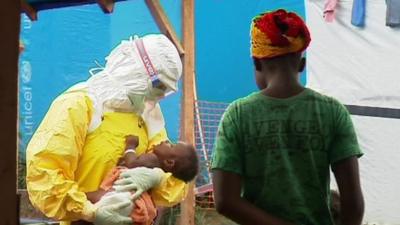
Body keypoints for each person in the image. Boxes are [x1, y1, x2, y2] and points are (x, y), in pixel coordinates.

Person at [211, 9, 364, 225]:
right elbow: (353, 204)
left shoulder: (237, 115)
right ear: (301, 65)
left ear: (256, 63)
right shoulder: (333, 112)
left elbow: (225, 200)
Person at [26, 34, 189, 225]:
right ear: (138, 72)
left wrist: (155, 178)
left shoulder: (147, 112)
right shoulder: (79, 105)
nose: (159, 96)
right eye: (158, 86)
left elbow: (174, 178)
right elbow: (44, 176)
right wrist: (91, 211)